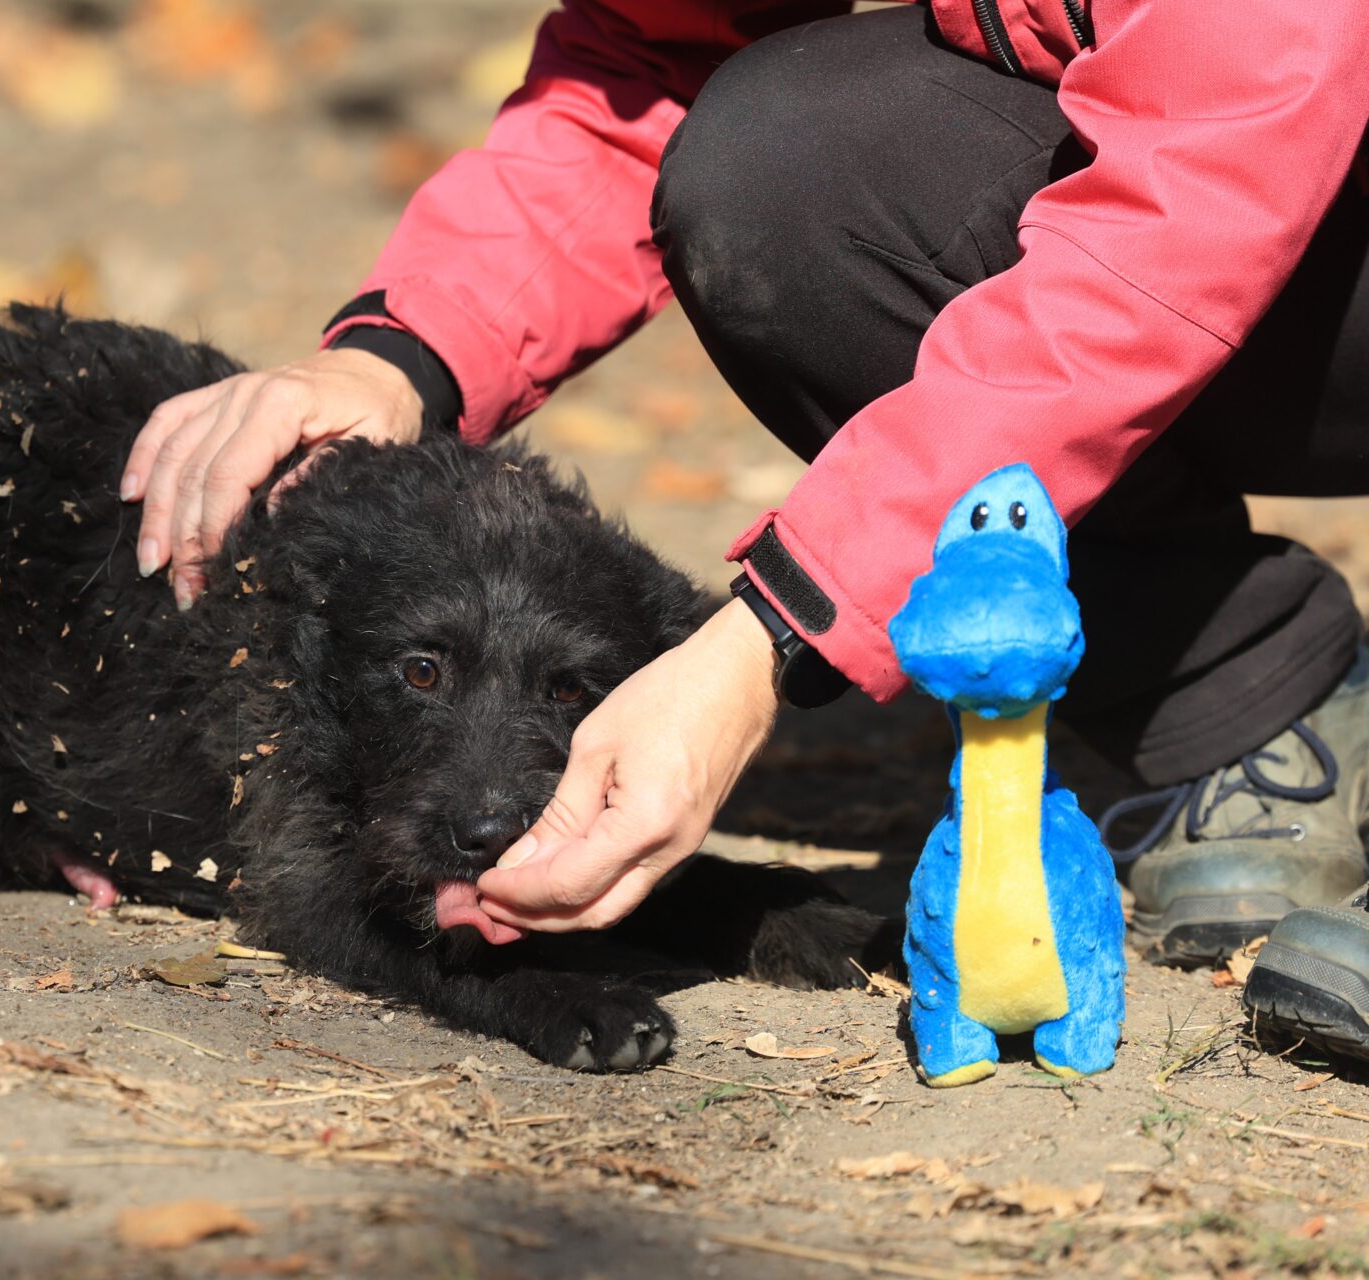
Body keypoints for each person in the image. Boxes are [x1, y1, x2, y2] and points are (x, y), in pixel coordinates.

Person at [122, 1, 1369, 1057]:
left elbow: (1180, 218)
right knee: (787, 169)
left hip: (1275, 189)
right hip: (1252, 211)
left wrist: (767, 635)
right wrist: (403, 354)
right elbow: (647, 65)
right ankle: (1240, 697)